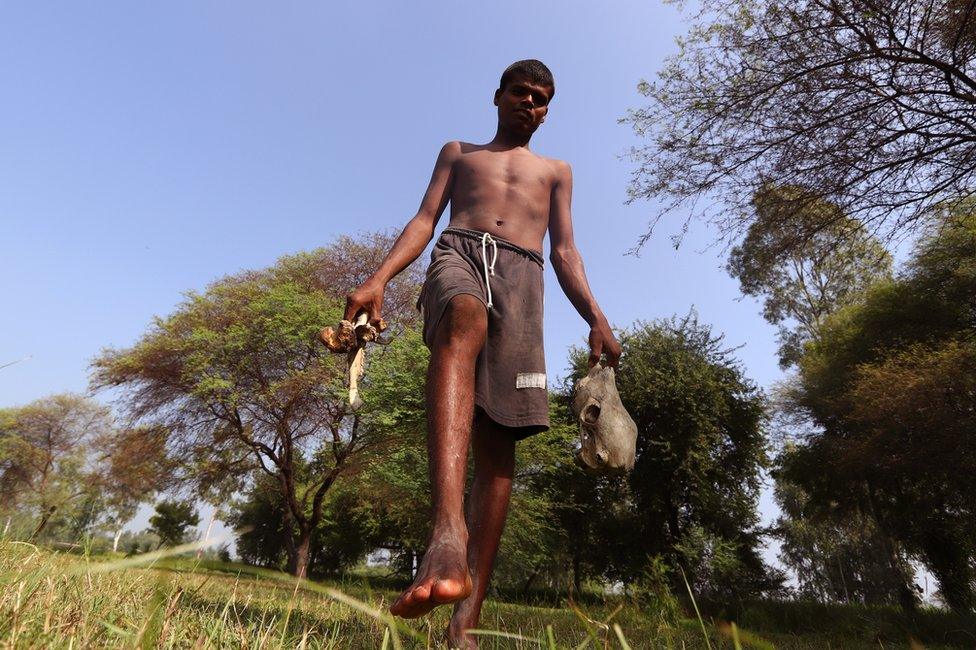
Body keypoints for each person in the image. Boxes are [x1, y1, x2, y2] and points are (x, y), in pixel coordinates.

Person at [342, 59, 621, 648]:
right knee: (461, 315)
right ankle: (445, 534)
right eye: (521, 92)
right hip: (462, 253)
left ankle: (463, 625)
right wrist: (378, 280)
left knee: (499, 443)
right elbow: (424, 220)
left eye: (542, 98)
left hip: (525, 278)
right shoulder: (460, 153)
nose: (531, 103)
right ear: (497, 96)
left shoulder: (557, 171)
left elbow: (566, 252)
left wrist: (595, 315)